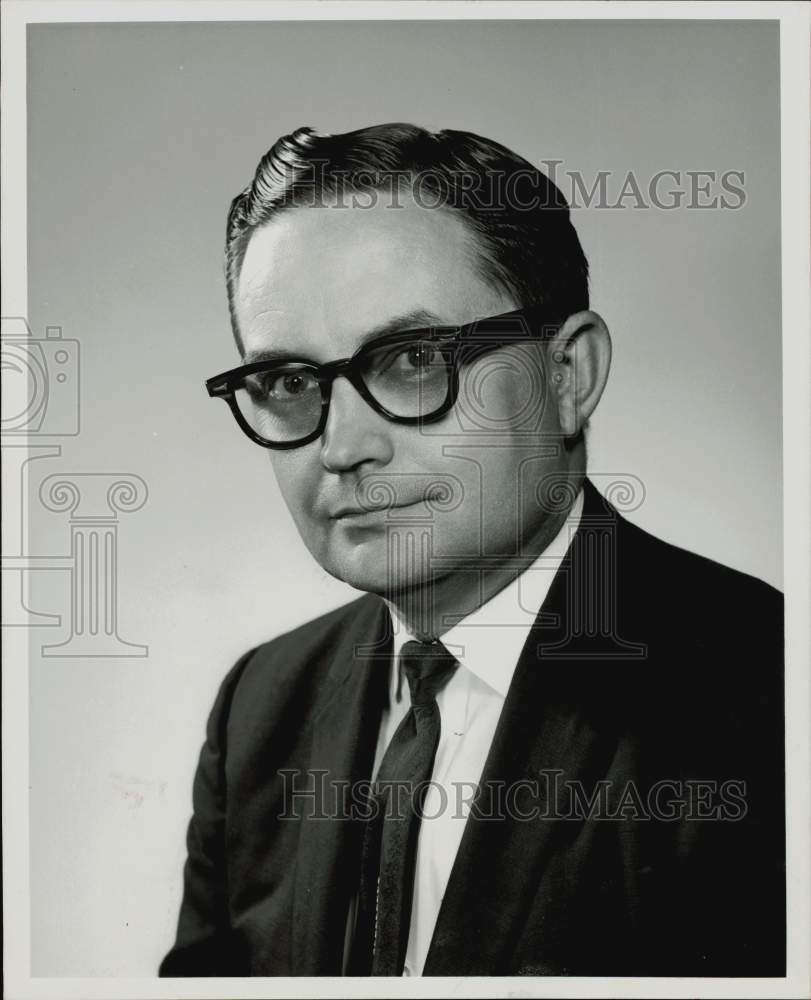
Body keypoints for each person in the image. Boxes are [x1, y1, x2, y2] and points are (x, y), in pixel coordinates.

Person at [159, 124, 785, 977]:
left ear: (568, 374)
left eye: (413, 359)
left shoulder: (768, 690)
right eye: (289, 383)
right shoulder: (261, 706)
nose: (342, 446)